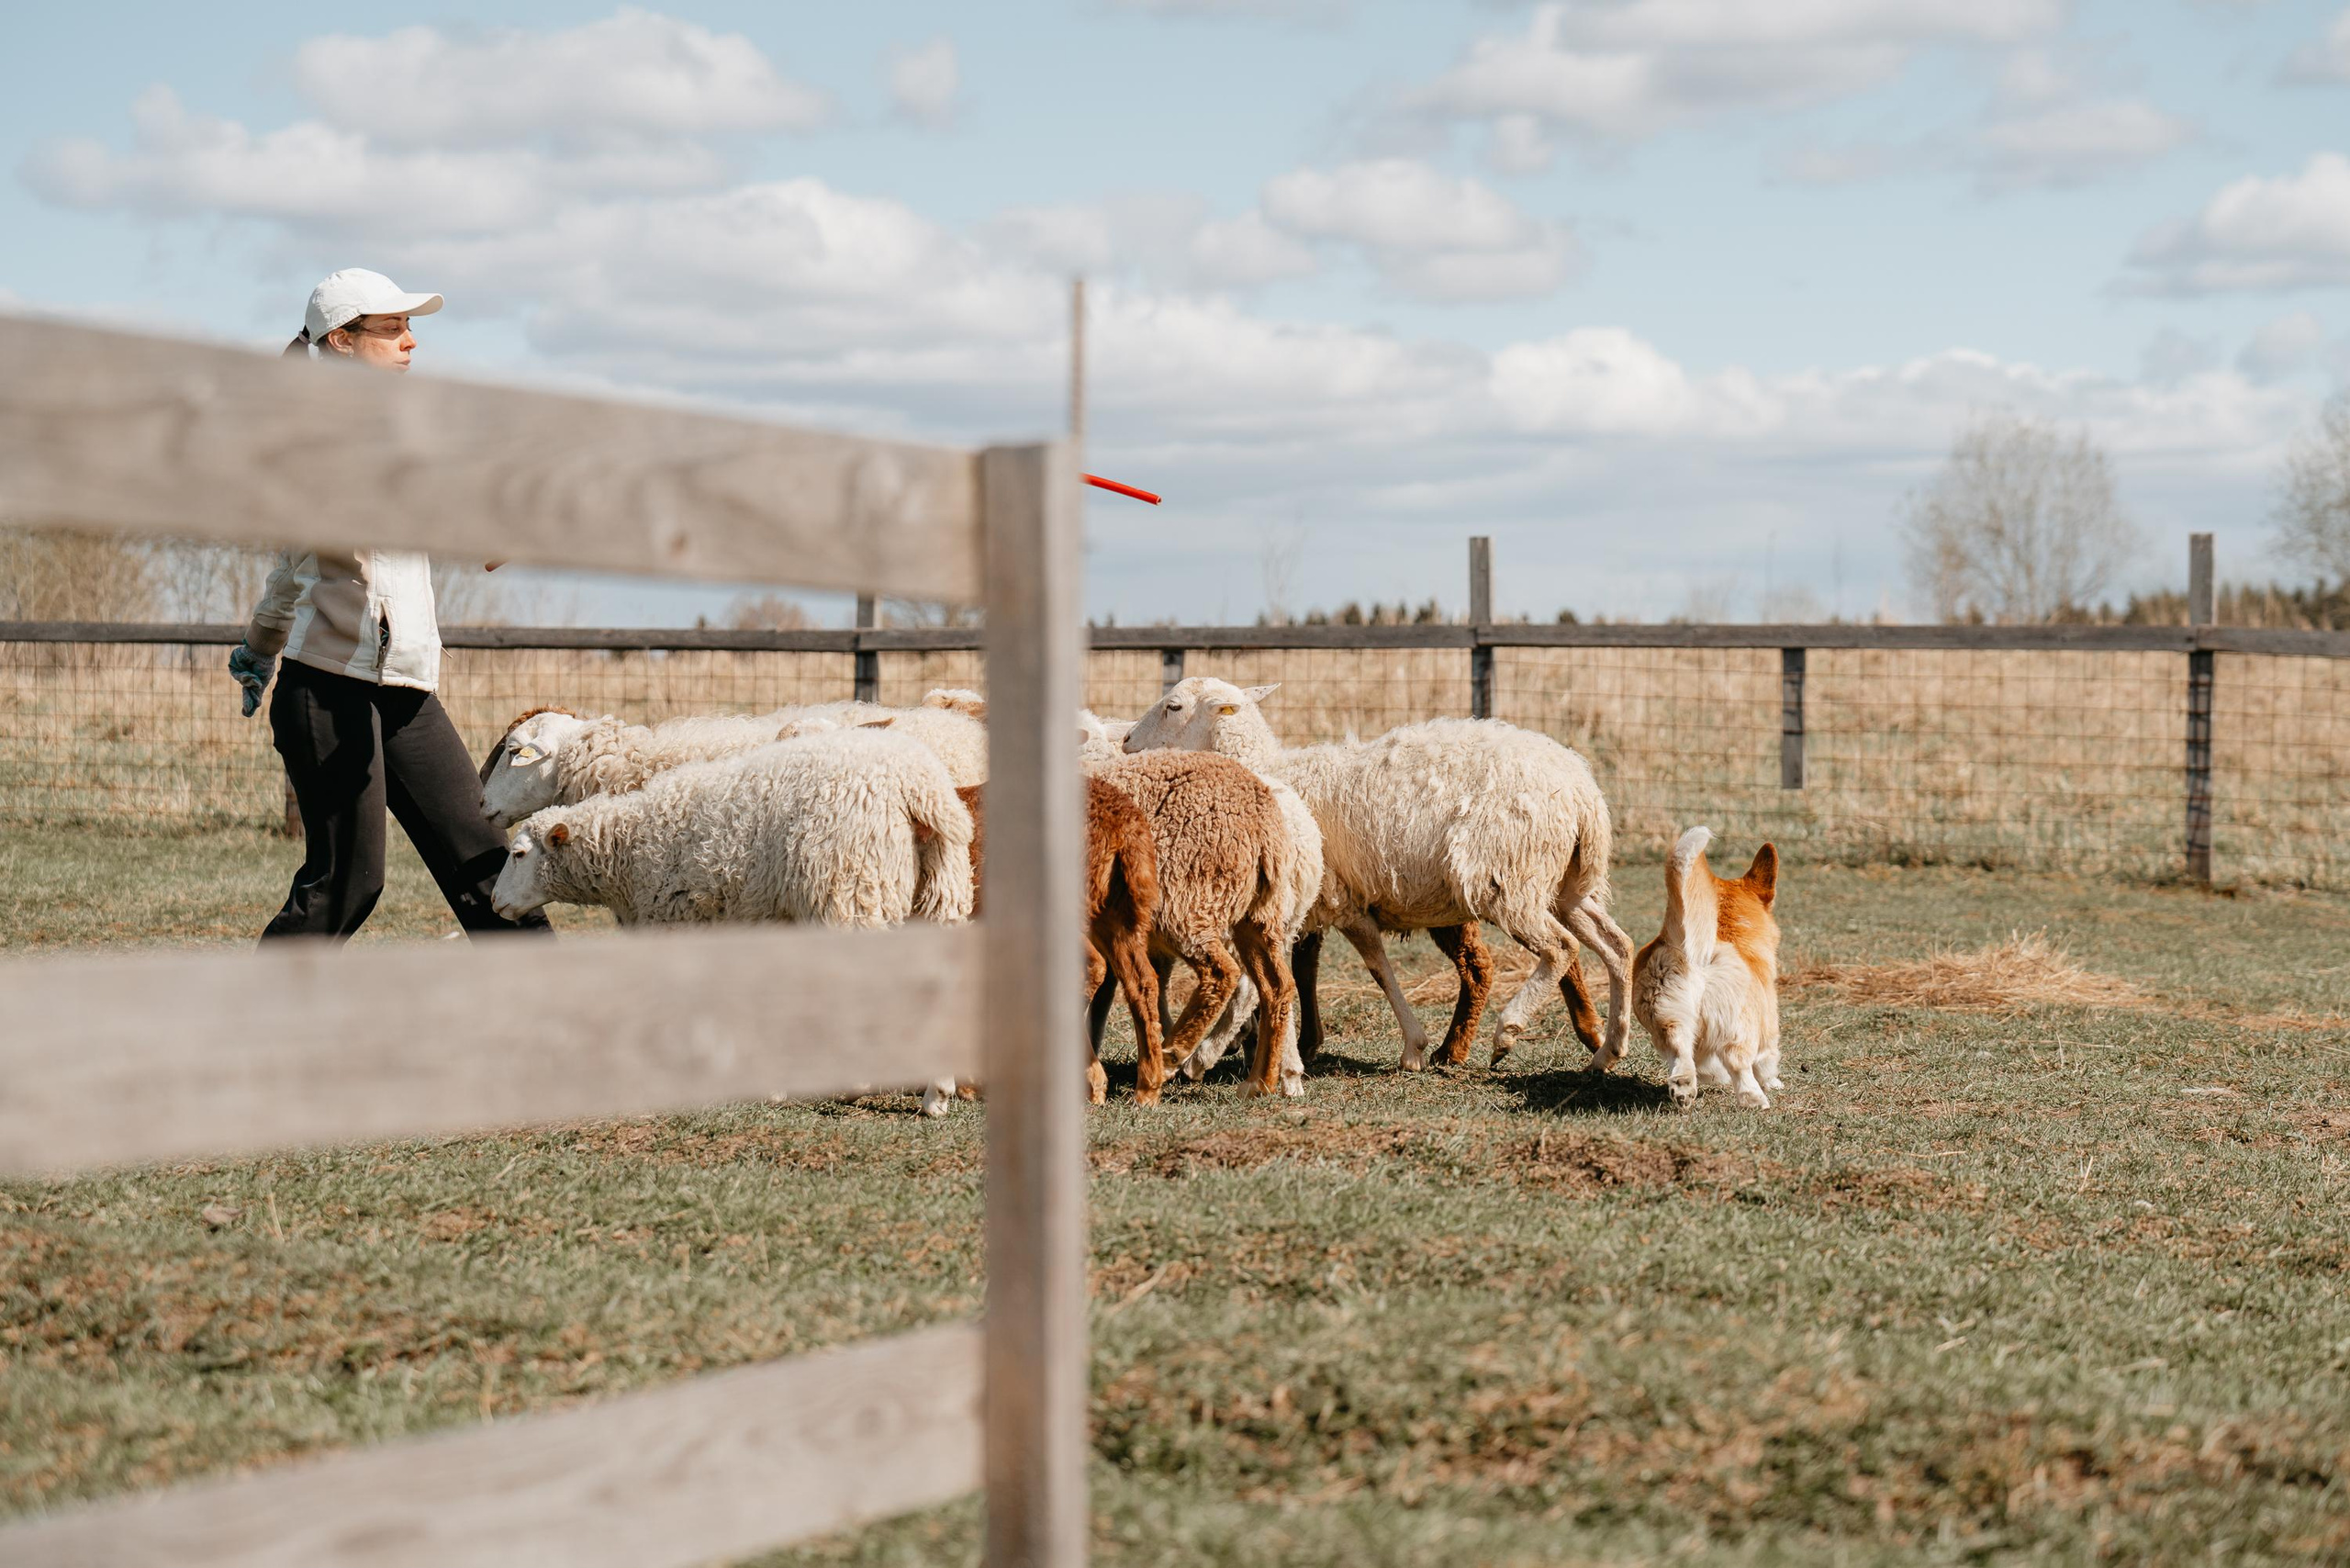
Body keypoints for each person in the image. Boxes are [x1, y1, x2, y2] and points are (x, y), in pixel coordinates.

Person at [230, 268, 550, 942]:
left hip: (406, 691)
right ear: (342, 342)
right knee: (348, 883)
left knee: (491, 869)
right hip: (329, 691)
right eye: (393, 328)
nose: (410, 344)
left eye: (411, 329)